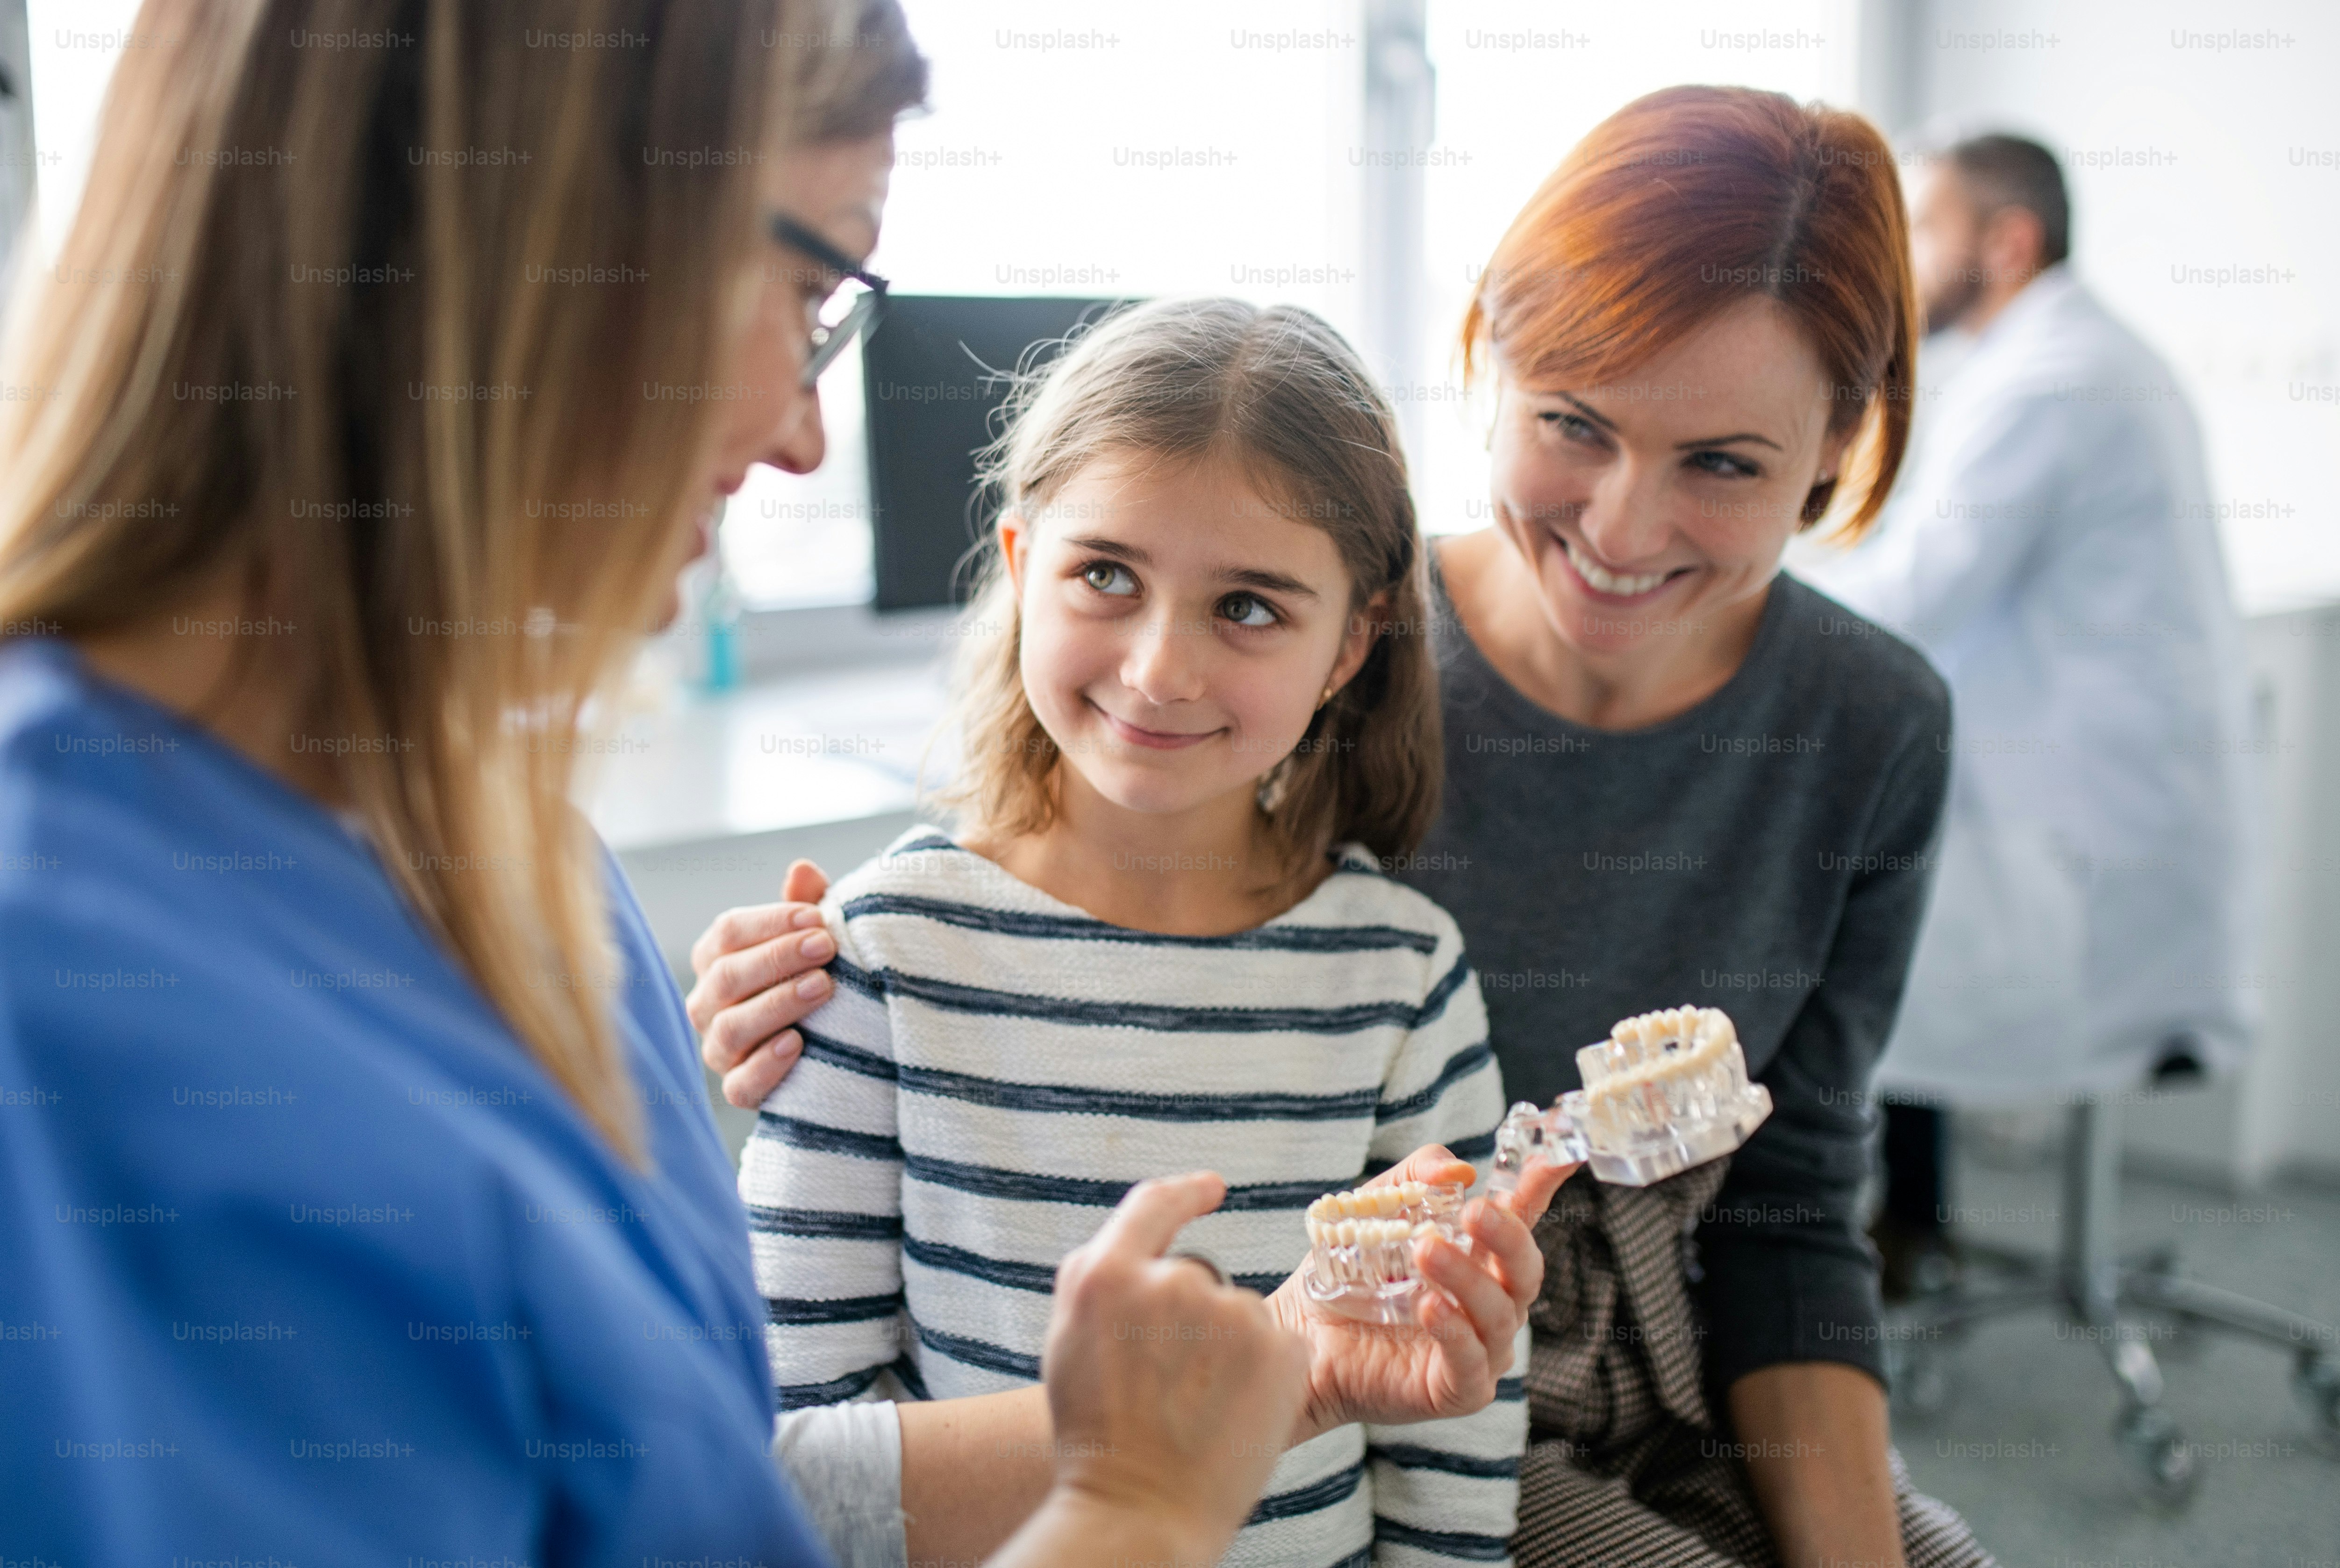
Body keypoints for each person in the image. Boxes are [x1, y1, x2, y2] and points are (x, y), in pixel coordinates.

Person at [0, 4, 1563, 1563]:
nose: (809, 438)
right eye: (812, 284)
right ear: (540, 244)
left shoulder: (529, 863)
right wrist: (1137, 1504)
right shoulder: (77, 991)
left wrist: (1253, 1403)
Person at [693, 86, 1995, 1568]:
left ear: (1836, 448)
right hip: (1424, 1380)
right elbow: (1069, 858)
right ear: (1490, 360)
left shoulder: (1866, 724)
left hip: (1634, 1358)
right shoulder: (1294, 643)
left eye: (1724, 462)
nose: (1624, 530)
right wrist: (807, 971)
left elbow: (1794, 1202)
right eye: (1575, 425)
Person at [749, 295, 1540, 1566]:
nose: (1161, 669)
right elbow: (793, 1447)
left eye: (1249, 606)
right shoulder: (884, 953)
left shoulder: (1399, 974)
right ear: (1021, 565)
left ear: (1350, 644)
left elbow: (1454, 1435)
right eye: (1106, 575)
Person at [1792, 134, 2254, 1292]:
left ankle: (1877, 1249)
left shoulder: (2049, 379)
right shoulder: (2067, 357)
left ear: (2007, 242)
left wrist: (1732, 582)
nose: (1900, 257)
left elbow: (1915, 591)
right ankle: (1910, 1232)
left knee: (1858, 937)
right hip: (2103, 803)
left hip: (2082, 830)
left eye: (1925, 228)